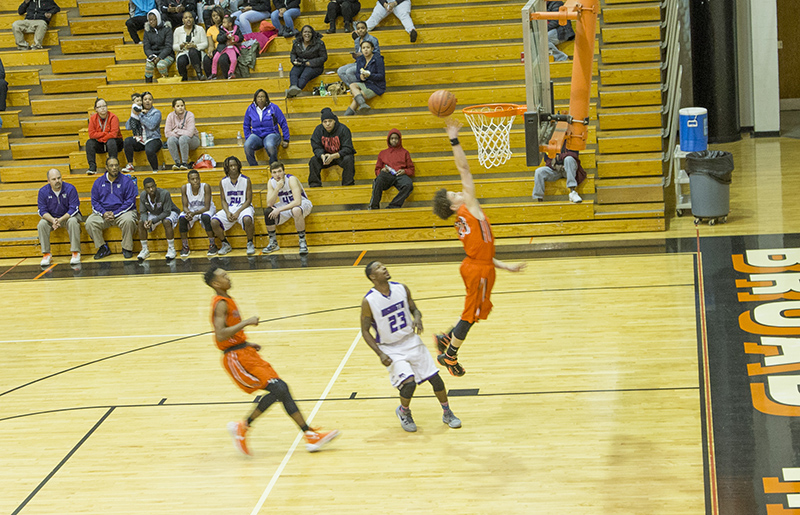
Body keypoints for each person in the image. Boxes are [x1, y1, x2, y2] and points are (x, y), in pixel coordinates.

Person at [205, 266, 340, 456]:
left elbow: (229, 333)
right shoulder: (220, 303)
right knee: (279, 388)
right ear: (215, 283)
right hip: (235, 358)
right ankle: (304, 434)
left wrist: (246, 342)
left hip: (245, 353)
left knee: (281, 388)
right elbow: (220, 335)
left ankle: (306, 435)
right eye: (224, 276)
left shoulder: (227, 300)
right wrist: (246, 323)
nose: (229, 277)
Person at [430, 120, 526, 376]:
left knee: (474, 312)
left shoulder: (463, 217)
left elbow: (482, 251)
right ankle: (449, 356)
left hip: (478, 265)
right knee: (471, 315)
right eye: (454, 194)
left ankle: (446, 338)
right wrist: (453, 139)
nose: (459, 192)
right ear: (452, 206)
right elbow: (464, 169)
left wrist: (505, 266)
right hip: (478, 270)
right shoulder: (468, 206)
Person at [361, 261, 461, 432]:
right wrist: (379, 353)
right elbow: (364, 331)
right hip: (390, 348)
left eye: (384, 266)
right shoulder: (369, 301)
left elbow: (415, 309)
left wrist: (417, 318)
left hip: (411, 340)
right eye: (379, 268)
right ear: (372, 276)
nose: (384, 268)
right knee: (409, 384)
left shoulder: (401, 288)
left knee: (435, 379)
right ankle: (404, 412)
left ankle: (447, 412)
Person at [85, 157, 139, 260]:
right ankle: (102, 247)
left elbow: (130, 202)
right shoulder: (98, 182)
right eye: (111, 166)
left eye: (116, 165)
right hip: (104, 214)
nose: (114, 168)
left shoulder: (127, 181)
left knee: (129, 220)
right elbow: (95, 202)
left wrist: (116, 213)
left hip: (122, 212)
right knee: (90, 222)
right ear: (106, 167)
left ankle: (127, 248)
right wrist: (104, 213)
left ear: (119, 166)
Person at [262, 161, 311, 255]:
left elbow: (297, 201)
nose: (277, 174)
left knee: (296, 210)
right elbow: (269, 203)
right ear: (271, 174)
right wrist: (277, 188)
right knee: (268, 211)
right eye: (274, 172)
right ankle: (273, 242)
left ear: (284, 171)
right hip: (285, 204)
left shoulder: (291, 179)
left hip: (303, 203)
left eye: (279, 171)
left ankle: (302, 241)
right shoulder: (271, 182)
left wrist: (279, 209)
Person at [210, 156, 256, 256]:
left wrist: (238, 212)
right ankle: (225, 244)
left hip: (244, 207)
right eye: (231, 166)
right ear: (227, 167)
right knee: (214, 222)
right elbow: (223, 200)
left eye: (235, 165)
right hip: (230, 208)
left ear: (238, 166)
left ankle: (250, 242)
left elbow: (248, 200)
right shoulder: (223, 182)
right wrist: (227, 212)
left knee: (247, 219)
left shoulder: (246, 180)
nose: (233, 168)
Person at [37, 168, 82, 267]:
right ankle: (46, 254)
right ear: (48, 181)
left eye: (59, 178)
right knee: (41, 224)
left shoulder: (70, 188)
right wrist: (53, 220)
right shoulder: (43, 191)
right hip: (52, 218)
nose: (57, 181)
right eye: (54, 179)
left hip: (68, 217)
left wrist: (60, 220)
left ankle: (75, 253)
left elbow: (73, 209)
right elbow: (42, 211)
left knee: (73, 221)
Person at [308, 107, 356, 187]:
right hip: (326, 157)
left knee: (349, 159)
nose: (327, 124)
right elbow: (316, 146)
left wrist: (334, 156)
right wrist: (322, 155)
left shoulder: (343, 129)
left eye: (330, 121)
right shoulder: (318, 130)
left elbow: (348, 148)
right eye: (325, 122)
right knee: (313, 160)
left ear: (334, 121)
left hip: (340, 156)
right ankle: (315, 185)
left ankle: (348, 185)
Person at [243, 89, 289, 167]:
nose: (260, 99)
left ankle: (273, 166)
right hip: (256, 136)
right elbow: (246, 125)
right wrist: (248, 137)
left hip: (272, 134)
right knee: (247, 145)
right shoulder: (250, 109)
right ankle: (254, 167)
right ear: (255, 98)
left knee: (270, 145)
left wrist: (286, 139)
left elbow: (283, 122)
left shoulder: (273, 107)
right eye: (258, 97)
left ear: (266, 98)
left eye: (262, 97)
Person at [137, 177, 180, 260]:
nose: (151, 189)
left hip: (171, 211)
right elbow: (143, 212)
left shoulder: (164, 193)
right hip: (155, 213)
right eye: (148, 188)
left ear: (156, 186)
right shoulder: (143, 195)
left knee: (166, 221)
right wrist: (146, 221)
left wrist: (153, 221)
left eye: (153, 187)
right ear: (144, 189)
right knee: (141, 223)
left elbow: (167, 212)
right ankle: (145, 249)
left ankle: (171, 249)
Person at [369, 128, 413, 209]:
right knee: (378, 180)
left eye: (396, 138)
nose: (394, 140)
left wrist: (404, 171)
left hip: (400, 175)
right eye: (392, 138)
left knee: (408, 184)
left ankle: (393, 206)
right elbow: (377, 169)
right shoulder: (382, 153)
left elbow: (411, 169)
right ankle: (374, 206)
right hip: (387, 175)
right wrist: (382, 171)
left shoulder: (405, 152)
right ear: (388, 140)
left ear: (399, 140)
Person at [178, 169, 217, 257]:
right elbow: (184, 206)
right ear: (188, 180)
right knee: (182, 219)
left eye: (197, 178)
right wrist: (188, 213)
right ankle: (185, 246)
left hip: (206, 209)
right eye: (193, 179)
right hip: (192, 210)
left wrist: (193, 214)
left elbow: (207, 207)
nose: (195, 181)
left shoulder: (205, 186)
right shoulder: (184, 188)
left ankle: (212, 245)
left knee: (205, 217)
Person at [123, 91, 163, 172]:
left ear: (152, 101)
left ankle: (155, 170)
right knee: (127, 141)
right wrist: (133, 115)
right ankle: (130, 165)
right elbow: (127, 127)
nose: (147, 101)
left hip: (153, 139)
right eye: (145, 99)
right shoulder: (137, 111)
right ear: (141, 101)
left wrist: (140, 115)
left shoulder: (156, 112)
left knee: (149, 149)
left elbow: (151, 126)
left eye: (150, 99)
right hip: (141, 139)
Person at [343, 39, 384, 115]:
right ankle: (362, 104)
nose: (366, 50)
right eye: (363, 48)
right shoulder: (360, 59)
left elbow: (381, 76)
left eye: (368, 48)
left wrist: (370, 76)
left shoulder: (378, 59)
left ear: (372, 49)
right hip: (365, 83)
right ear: (361, 50)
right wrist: (360, 77)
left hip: (376, 85)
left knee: (358, 97)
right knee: (352, 85)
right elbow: (358, 74)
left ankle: (347, 117)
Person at [286, 25, 327, 98]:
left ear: (312, 34)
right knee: (293, 73)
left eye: (309, 32)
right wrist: (294, 60)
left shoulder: (319, 43)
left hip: (315, 66)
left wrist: (310, 63)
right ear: (302, 33)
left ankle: (292, 93)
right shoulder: (297, 42)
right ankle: (293, 87)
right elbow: (293, 53)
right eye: (305, 32)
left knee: (304, 76)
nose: (307, 34)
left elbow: (323, 57)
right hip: (300, 63)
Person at [86, 98, 124, 175]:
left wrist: (100, 136)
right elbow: (91, 135)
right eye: (99, 107)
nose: (102, 108)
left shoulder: (113, 117)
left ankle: (113, 166)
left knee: (111, 141)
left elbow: (114, 134)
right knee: (89, 142)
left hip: (115, 143)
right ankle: (92, 167)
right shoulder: (93, 118)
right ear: (96, 109)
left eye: (104, 106)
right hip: (101, 143)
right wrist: (105, 133)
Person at [336, 21, 378, 87]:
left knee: (349, 72)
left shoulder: (373, 39)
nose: (360, 30)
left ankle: (362, 87)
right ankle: (354, 87)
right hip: (359, 62)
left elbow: (377, 55)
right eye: (358, 28)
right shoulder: (357, 40)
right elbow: (358, 54)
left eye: (362, 28)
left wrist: (363, 55)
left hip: (369, 64)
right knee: (340, 71)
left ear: (366, 29)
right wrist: (356, 56)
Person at [165, 98, 200, 169]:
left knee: (183, 139)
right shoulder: (170, 116)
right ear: (173, 108)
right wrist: (180, 133)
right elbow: (167, 133)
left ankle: (184, 163)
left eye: (182, 105)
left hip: (193, 139)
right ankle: (177, 163)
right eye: (178, 106)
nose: (180, 108)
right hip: (178, 139)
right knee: (170, 140)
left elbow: (190, 133)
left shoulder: (190, 115)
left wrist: (176, 131)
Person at [173, 11, 207, 81]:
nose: (188, 19)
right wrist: (181, 46)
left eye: (190, 17)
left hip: (197, 53)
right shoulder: (177, 30)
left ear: (193, 19)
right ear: (182, 20)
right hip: (184, 52)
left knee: (192, 51)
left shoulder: (200, 29)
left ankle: (199, 74)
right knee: (181, 60)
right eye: (186, 18)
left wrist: (195, 46)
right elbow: (174, 46)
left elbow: (205, 44)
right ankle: (184, 79)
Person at [142, 9, 175, 82]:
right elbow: (146, 47)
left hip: (167, 55)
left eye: (153, 20)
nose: (151, 22)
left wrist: (160, 57)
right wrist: (151, 56)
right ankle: (148, 86)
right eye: (149, 20)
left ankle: (165, 81)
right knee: (148, 65)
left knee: (161, 65)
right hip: (153, 56)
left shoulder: (167, 29)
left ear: (158, 19)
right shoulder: (147, 30)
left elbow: (168, 47)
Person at [210, 14, 242, 79]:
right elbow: (218, 38)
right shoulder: (222, 30)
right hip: (222, 48)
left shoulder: (237, 29)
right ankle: (214, 73)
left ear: (230, 24)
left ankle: (231, 73)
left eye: (224, 22)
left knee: (234, 60)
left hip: (231, 48)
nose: (222, 24)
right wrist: (225, 36)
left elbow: (241, 37)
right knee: (215, 59)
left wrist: (235, 38)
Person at [202, 7, 225, 77]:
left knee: (223, 59)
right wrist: (210, 51)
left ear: (221, 15)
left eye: (217, 15)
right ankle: (210, 77)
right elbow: (211, 45)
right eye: (213, 16)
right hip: (216, 49)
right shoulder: (210, 29)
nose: (215, 17)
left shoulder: (226, 26)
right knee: (206, 58)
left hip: (225, 48)